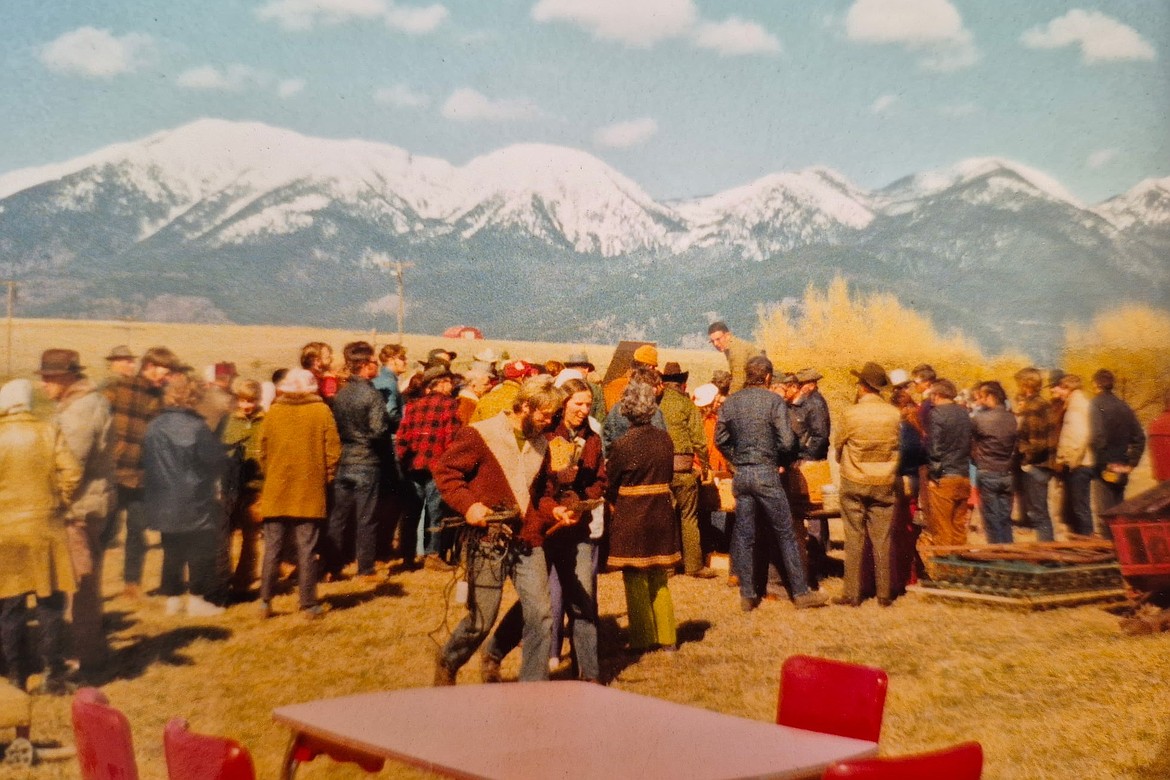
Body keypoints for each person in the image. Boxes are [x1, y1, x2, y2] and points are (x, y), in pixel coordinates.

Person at [432, 376, 569, 685]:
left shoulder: (541, 444)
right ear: (524, 406)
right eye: (544, 414)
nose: (549, 421)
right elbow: (446, 473)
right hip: (487, 540)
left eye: (552, 415)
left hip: (528, 539)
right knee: (481, 619)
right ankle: (448, 660)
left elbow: (542, 495)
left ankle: (533, 687)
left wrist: (554, 510)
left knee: (541, 614)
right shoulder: (480, 434)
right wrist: (469, 506)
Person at [483, 378, 606, 681]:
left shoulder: (592, 438)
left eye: (589, 404)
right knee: (537, 603)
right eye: (578, 403)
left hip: (576, 529)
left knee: (583, 600)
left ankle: (589, 676)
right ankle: (494, 651)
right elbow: (535, 486)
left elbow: (600, 480)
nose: (584, 409)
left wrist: (583, 501)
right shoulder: (545, 435)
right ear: (564, 404)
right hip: (543, 530)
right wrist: (554, 509)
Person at [715, 356, 827, 611]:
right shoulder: (774, 401)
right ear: (767, 377)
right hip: (766, 472)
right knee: (786, 533)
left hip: (743, 474)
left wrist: (737, 459)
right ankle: (800, 593)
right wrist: (778, 459)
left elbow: (720, 440)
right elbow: (787, 442)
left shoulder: (731, 402)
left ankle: (747, 595)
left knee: (745, 534)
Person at [35, 349, 116, 676]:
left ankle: (87, 659)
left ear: (69, 377)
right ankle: (88, 653)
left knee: (80, 584)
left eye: (49, 378)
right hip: (88, 504)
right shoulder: (84, 404)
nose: (43, 384)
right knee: (84, 583)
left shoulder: (81, 411)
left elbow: (70, 465)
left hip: (79, 509)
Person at [0, 379, 82, 695]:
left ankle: (15, 676)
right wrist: (59, 500)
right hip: (46, 528)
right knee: (50, 604)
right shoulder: (49, 431)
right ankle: (52, 675)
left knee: (10, 606)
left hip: (5, 531)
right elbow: (72, 472)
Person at [257, 369, 341, 619]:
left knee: (272, 548)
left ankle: (265, 602)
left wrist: (272, 475)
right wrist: (324, 479)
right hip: (309, 490)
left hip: (276, 489)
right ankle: (308, 604)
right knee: (307, 549)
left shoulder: (274, 412)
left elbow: (262, 451)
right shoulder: (321, 411)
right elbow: (333, 452)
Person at [142, 373, 228, 617]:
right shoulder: (197, 427)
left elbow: (146, 460)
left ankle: (172, 598)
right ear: (193, 397)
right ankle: (198, 599)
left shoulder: (154, 426)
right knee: (201, 550)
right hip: (194, 497)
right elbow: (214, 461)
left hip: (161, 497)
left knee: (172, 550)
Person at [605, 381, 681, 652]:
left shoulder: (622, 444)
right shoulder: (665, 439)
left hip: (632, 512)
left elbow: (611, 481)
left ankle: (642, 638)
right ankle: (668, 637)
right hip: (661, 510)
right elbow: (668, 474)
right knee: (659, 576)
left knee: (634, 576)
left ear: (626, 409)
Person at [104, 346, 178, 599]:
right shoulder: (117, 389)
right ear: (148, 367)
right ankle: (88, 588)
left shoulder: (161, 399)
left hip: (143, 477)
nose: (166, 378)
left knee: (137, 532)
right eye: (164, 373)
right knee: (104, 532)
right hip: (113, 474)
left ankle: (131, 585)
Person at [834, 362, 901, 607]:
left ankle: (852, 593)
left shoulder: (851, 414)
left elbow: (838, 445)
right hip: (884, 480)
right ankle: (884, 594)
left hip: (854, 480)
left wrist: (845, 461)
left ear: (862, 387)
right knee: (882, 539)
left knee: (854, 537)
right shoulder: (894, 414)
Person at [324, 341, 391, 581]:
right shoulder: (372, 395)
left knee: (338, 516)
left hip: (345, 460)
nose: (377, 366)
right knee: (367, 517)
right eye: (374, 362)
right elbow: (378, 430)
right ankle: (365, 568)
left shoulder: (341, 394)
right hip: (367, 461)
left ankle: (332, 567)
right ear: (364, 365)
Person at [396, 364, 463, 568]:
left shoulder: (413, 405)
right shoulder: (450, 405)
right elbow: (451, 439)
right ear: (441, 383)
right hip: (437, 466)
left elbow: (402, 437)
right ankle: (433, 555)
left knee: (411, 512)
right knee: (436, 512)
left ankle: (407, 556)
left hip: (414, 465)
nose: (452, 386)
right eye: (449, 382)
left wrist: (403, 461)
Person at [659, 362, 714, 578]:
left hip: (661, 469)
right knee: (689, 517)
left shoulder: (658, 403)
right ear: (682, 383)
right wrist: (705, 465)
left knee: (666, 517)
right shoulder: (687, 405)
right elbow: (699, 440)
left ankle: (667, 566)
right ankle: (693, 566)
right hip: (683, 469)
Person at [221, 379, 265, 598]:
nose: (246, 405)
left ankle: (244, 578)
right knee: (226, 534)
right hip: (232, 486)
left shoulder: (265, 420)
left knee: (250, 535)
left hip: (256, 487)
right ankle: (223, 575)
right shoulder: (228, 422)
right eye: (242, 401)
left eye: (251, 401)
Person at [1089, 369, 1146, 530]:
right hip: (1122, 465)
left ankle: (1109, 544)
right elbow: (1139, 437)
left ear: (1096, 384)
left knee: (1105, 515)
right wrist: (1131, 463)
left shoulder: (1095, 404)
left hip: (1104, 467)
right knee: (1119, 513)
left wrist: (1103, 464)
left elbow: (1097, 437)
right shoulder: (1124, 406)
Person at [925, 379, 972, 547]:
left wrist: (933, 475)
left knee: (942, 527)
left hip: (944, 477)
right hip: (963, 475)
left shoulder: (936, 414)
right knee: (959, 526)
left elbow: (934, 448)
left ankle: (944, 563)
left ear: (937, 395)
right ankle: (960, 561)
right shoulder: (964, 413)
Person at [970, 381, 1018, 544]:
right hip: (1007, 472)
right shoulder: (1012, 417)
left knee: (991, 518)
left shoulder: (980, 419)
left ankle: (997, 552)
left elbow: (971, 443)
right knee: (1005, 518)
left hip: (987, 470)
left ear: (990, 396)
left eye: (982, 397)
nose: (980, 400)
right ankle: (1009, 550)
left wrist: (976, 459)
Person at [1013, 368, 1055, 542]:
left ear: (1026, 384)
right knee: (1040, 511)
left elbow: (1036, 443)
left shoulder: (1033, 407)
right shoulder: (1043, 404)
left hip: (1035, 466)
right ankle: (1047, 548)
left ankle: (1047, 550)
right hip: (1043, 465)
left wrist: (1025, 460)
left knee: (1038, 512)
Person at [1051, 374, 1094, 536]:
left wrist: (1069, 461)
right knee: (1078, 507)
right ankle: (1083, 540)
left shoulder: (1075, 407)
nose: (1059, 393)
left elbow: (1078, 437)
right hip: (1081, 462)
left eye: (1061, 389)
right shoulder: (1080, 403)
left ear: (1068, 388)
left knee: (1079, 508)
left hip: (1079, 464)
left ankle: (1087, 542)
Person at [707, 321, 761, 394]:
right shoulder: (729, 346)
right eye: (712, 341)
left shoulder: (736, 349)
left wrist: (729, 398)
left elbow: (739, 380)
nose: (715, 344)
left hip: (761, 385)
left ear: (728, 336)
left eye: (718, 339)